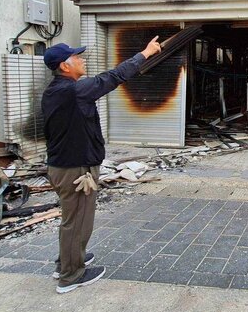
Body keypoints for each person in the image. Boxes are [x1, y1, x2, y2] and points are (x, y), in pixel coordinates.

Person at [42, 38, 162, 293]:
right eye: (78, 57)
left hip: (63, 166)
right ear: (65, 66)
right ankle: (70, 275)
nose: (83, 59)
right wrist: (145, 53)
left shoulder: (56, 90)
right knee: (78, 221)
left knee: (71, 218)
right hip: (76, 170)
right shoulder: (74, 90)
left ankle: (68, 260)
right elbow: (114, 76)